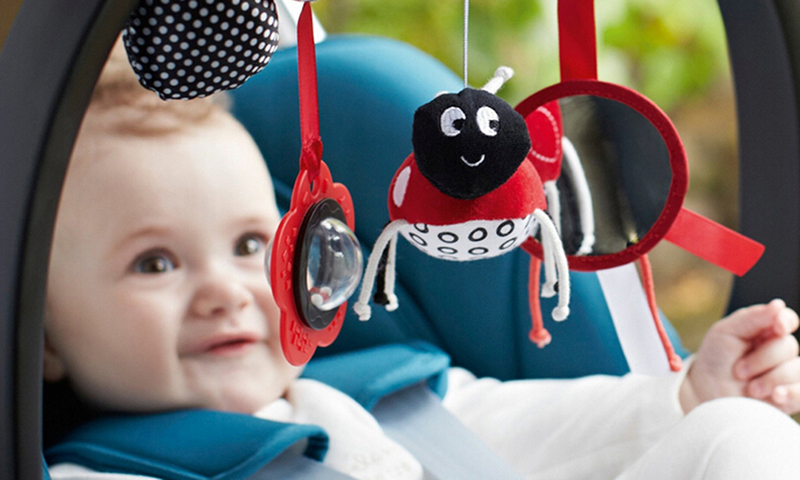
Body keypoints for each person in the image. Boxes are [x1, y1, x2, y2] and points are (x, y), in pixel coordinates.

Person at [44, 43, 800, 480]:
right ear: (40, 334)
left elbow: (569, 430)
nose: (225, 292)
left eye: (249, 246)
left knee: (738, 434)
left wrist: (686, 395)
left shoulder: (391, 399)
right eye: (154, 264)